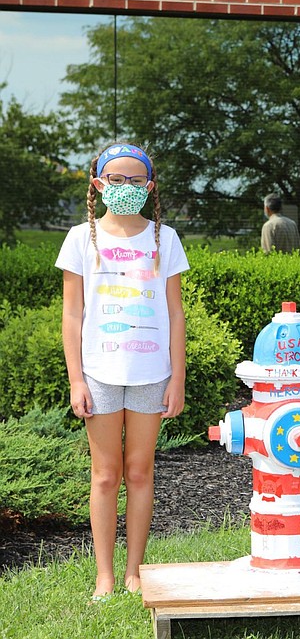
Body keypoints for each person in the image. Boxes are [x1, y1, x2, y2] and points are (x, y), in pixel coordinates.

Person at [56, 143, 190, 602]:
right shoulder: (80, 239)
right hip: (99, 375)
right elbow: (72, 314)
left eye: (136, 180)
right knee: (105, 475)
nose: (127, 187)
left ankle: (135, 571)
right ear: (98, 185)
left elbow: (175, 313)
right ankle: (104, 576)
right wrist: (76, 378)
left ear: (149, 186)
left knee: (139, 471)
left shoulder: (164, 239)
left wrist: (178, 378)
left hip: (152, 374)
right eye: (117, 180)